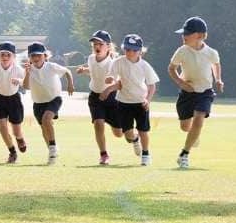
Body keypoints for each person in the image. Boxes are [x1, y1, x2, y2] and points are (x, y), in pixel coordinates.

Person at [168, 16, 223, 169]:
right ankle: (193, 136)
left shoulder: (211, 53)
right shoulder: (182, 51)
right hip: (187, 92)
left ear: (200, 36)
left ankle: (184, 154)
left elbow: (216, 65)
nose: (183, 36)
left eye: (187, 33)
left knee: (199, 119)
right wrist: (181, 83)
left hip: (205, 91)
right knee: (186, 127)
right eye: (183, 33)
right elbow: (171, 69)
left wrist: (218, 79)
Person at [108, 34, 159, 166]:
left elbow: (152, 85)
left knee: (143, 130)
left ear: (140, 51)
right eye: (127, 49)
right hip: (123, 102)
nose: (130, 52)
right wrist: (110, 81)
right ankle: (135, 140)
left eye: (134, 50)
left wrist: (148, 100)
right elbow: (112, 76)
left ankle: (146, 154)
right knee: (128, 134)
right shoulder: (118, 62)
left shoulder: (144, 65)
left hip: (141, 102)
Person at [75, 30, 124, 165]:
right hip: (95, 97)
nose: (97, 46)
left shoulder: (114, 62)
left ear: (108, 46)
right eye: (95, 44)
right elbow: (94, 72)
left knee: (119, 133)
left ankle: (134, 136)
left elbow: (120, 82)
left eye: (100, 44)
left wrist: (110, 85)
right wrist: (84, 70)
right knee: (98, 124)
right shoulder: (91, 59)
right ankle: (104, 154)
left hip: (112, 98)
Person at [22, 42, 73, 165]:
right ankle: (52, 153)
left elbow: (67, 72)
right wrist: (27, 73)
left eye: (39, 55)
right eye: (33, 56)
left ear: (45, 56)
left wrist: (70, 84)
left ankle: (53, 146)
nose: (36, 58)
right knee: (44, 128)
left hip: (54, 98)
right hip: (38, 103)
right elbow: (26, 86)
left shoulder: (51, 66)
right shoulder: (29, 70)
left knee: (46, 119)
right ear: (30, 58)